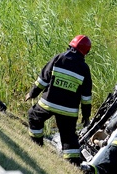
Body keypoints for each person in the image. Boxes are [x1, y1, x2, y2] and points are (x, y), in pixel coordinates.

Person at [25, 35, 93, 165]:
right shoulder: (84, 69)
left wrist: (32, 94)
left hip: (48, 103)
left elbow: (43, 80)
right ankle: (72, 162)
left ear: (70, 45)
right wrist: (86, 116)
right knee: (69, 137)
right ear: (86, 52)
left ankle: (36, 143)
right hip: (69, 111)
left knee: (34, 116)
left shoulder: (58, 58)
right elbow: (86, 97)